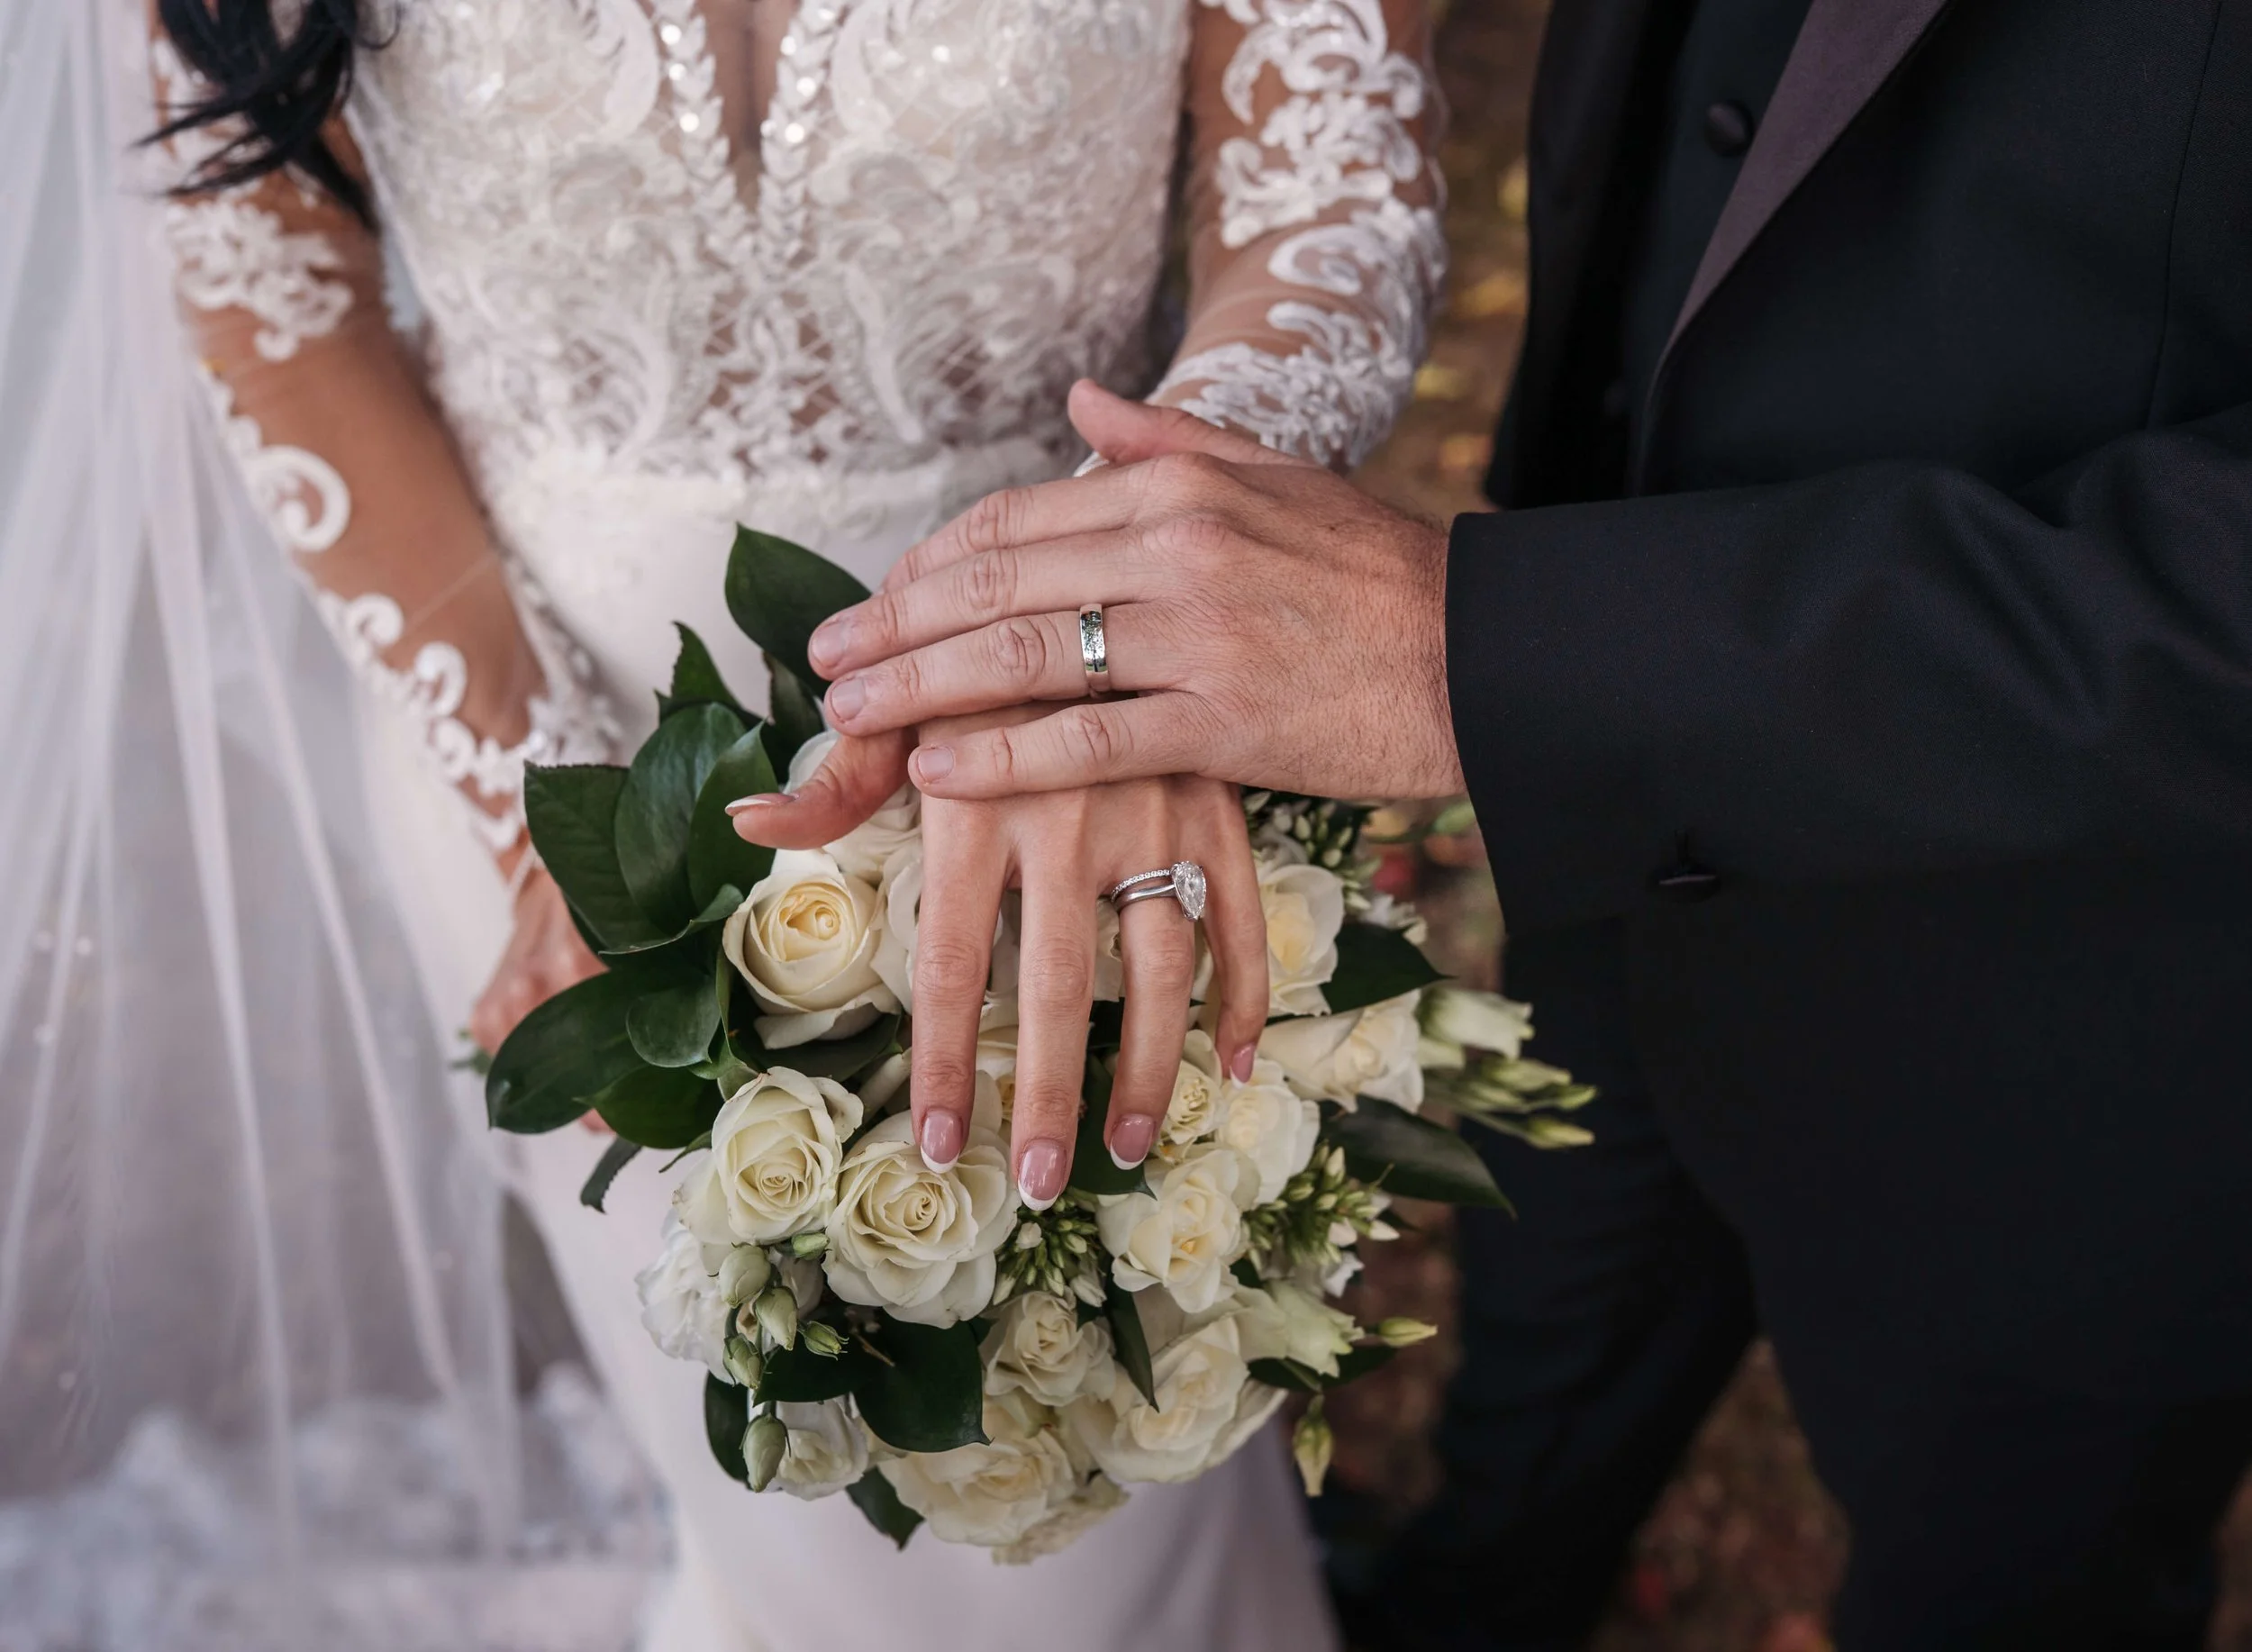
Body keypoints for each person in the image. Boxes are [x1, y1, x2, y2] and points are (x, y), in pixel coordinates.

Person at [758, 1, 2252, 1645]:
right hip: (1615, 875)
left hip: (2098, 993)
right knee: (1538, 1403)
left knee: (2014, 1577)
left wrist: (1488, 655)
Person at [0, 0, 1446, 1647]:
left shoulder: (1104, 675)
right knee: (777, 1505)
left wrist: (1146, 600)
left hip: (1084, 749)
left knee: (1104, 1489)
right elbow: (262, 265)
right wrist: (531, 801)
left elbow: (1324, 180)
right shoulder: (528, 784)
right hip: (532, 731)